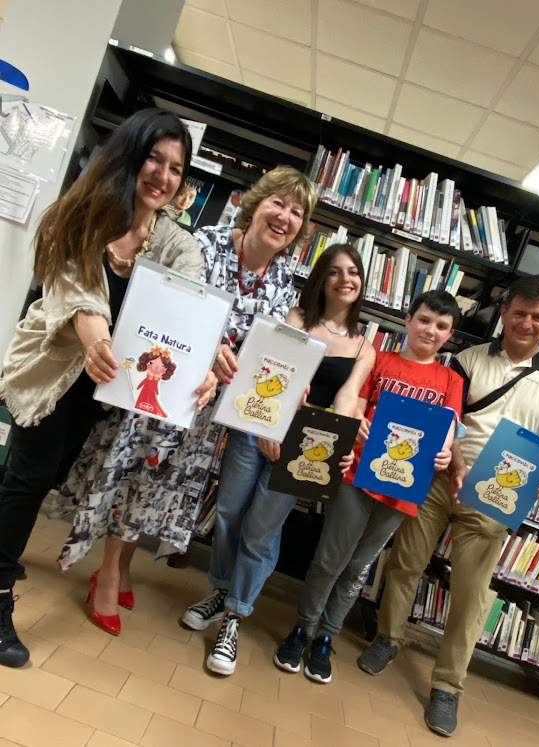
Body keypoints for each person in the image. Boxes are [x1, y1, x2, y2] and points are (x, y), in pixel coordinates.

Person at [56, 165, 316, 634]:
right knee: (137, 472)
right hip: (166, 383)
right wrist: (211, 344)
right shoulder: (206, 243)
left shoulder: (283, 280)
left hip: (209, 406)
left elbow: (260, 350)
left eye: (297, 212)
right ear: (255, 204)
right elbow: (169, 304)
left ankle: (124, 566)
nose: (285, 216)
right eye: (278, 202)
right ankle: (109, 573)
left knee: (160, 486)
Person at [0, 108, 217, 668]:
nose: (163, 177)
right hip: (56, 374)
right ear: (130, 154)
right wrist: (98, 342)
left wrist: (209, 358)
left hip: (103, 396)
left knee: (40, 476)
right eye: (154, 159)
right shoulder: (81, 214)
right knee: (27, 480)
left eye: (175, 168)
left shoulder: (173, 242)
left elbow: (191, 307)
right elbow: (81, 299)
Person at [357, 276, 539, 738]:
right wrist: (455, 466)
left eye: (538, 317)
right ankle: (387, 638)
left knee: (471, 593)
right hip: (439, 478)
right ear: (505, 313)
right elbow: (448, 418)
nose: (526, 322)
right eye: (519, 312)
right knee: (405, 564)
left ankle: (448, 685)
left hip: (497, 494)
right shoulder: (466, 359)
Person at [181, 243, 375, 676]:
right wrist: (273, 427)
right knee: (229, 511)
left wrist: (340, 445)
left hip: (307, 449)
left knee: (262, 529)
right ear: (321, 279)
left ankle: (235, 615)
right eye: (336, 272)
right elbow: (274, 372)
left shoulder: (365, 348)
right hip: (259, 428)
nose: (346, 279)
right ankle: (222, 591)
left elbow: (346, 400)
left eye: (354, 273)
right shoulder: (295, 318)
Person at [274, 290, 464, 684]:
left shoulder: (450, 380)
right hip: (357, 472)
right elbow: (356, 401)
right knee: (330, 558)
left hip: (404, 489)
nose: (431, 330)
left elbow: (447, 431)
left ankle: (326, 637)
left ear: (450, 334)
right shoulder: (380, 358)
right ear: (408, 320)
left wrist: (445, 455)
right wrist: (356, 420)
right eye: (424, 320)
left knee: (358, 567)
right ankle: (302, 630)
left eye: (442, 326)